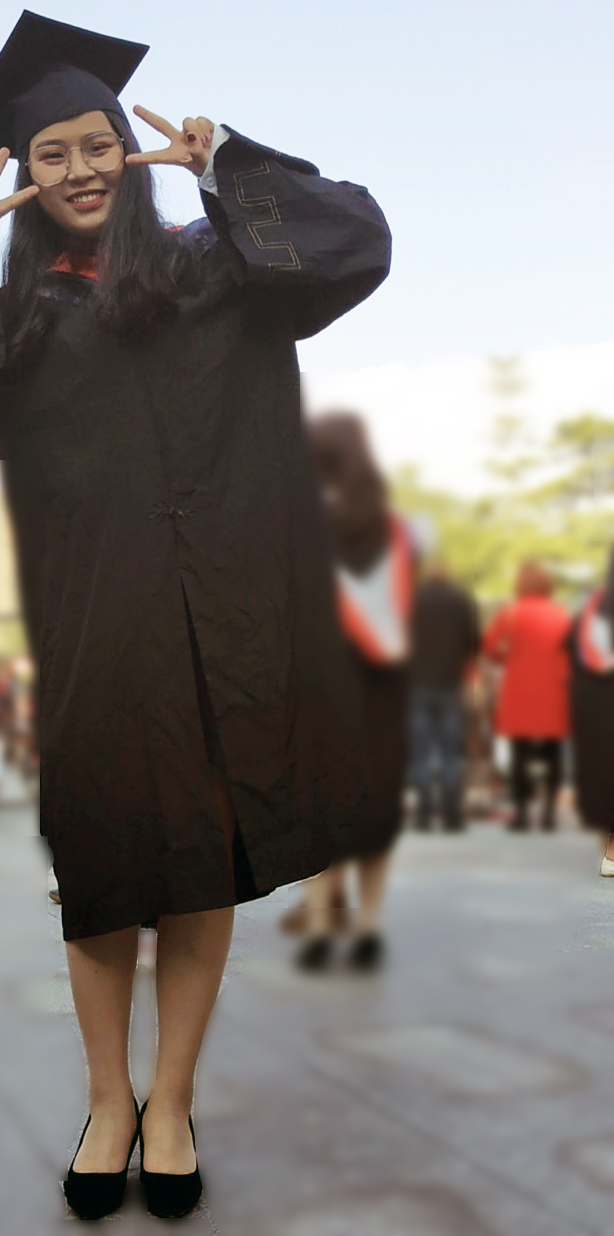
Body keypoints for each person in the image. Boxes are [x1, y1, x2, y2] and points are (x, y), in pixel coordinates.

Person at [0, 9, 390, 1219]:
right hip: (100, 624)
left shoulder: (220, 265)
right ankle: (108, 1100)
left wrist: (228, 163)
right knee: (104, 866)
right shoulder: (13, 314)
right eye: (50, 153)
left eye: (95, 143)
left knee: (201, 863)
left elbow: (355, 240)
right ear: (26, 174)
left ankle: (171, 1101)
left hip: (227, 611)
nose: (79, 169)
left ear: (127, 148)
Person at [289, 414, 413, 974]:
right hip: (383, 684)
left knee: (321, 807)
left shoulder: (303, 526)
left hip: (323, 685)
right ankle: (367, 928)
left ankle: (319, 926)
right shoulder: (393, 528)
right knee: (376, 812)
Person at [483, 561, 571, 831]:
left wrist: (507, 659)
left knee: (519, 752)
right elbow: (572, 651)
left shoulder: (511, 612)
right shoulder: (561, 614)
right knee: (554, 751)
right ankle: (549, 815)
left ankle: (521, 814)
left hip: (519, 689)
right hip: (554, 690)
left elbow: (490, 647)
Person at [410, 560, 479, 830]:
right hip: (450, 684)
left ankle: (424, 813)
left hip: (417, 685)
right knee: (450, 752)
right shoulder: (461, 600)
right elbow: (473, 642)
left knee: (421, 752)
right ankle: (452, 815)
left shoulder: (413, 599)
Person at [568, 550, 614, 875]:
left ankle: (609, 852)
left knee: (604, 775)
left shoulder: (593, 604)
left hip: (598, 700)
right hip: (602, 698)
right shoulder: (594, 604)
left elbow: (581, 651)